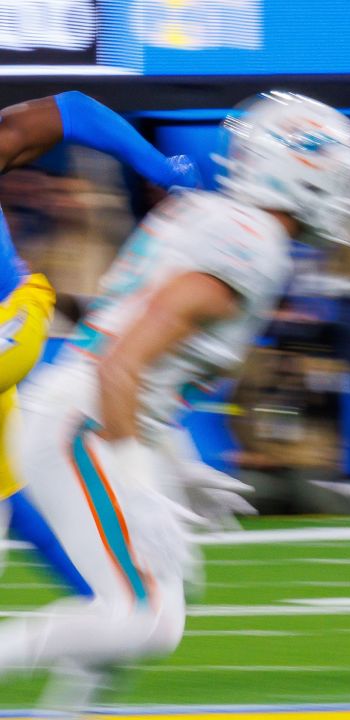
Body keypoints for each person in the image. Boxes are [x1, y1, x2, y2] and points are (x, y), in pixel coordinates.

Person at [0, 91, 350, 710]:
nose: (346, 192)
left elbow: (133, 359)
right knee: (143, 617)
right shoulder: (250, 246)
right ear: (298, 173)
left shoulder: (218, 216)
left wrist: (177, 465)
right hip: (81, 421)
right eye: (334, 172)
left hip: (85, 411)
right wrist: (139, 480)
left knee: (153, 605)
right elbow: (122, 364)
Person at [0, 93, 199, 594]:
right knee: (12, 485)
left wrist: (159, 166)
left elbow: (71, 109)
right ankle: (110, 602)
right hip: (17, 323)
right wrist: (163, 167)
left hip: (11, 323)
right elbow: (73, 109)